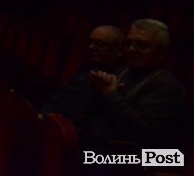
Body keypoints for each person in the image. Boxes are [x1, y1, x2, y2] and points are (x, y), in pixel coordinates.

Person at [81, 19, 187, 150]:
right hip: (105, 147)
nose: (131, 49)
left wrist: (111, 94)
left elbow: (143, 131)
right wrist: (97, 92)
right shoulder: (121, 72)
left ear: (161, 54)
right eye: (128, 43)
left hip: (153, 156)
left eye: (141, 45)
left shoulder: (167, 86)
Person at [41, 24, 125, 121]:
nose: (91, 47)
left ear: (118, 51)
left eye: (100, 44)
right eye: (90, 42)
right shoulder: (86, 68)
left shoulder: (117, 78)